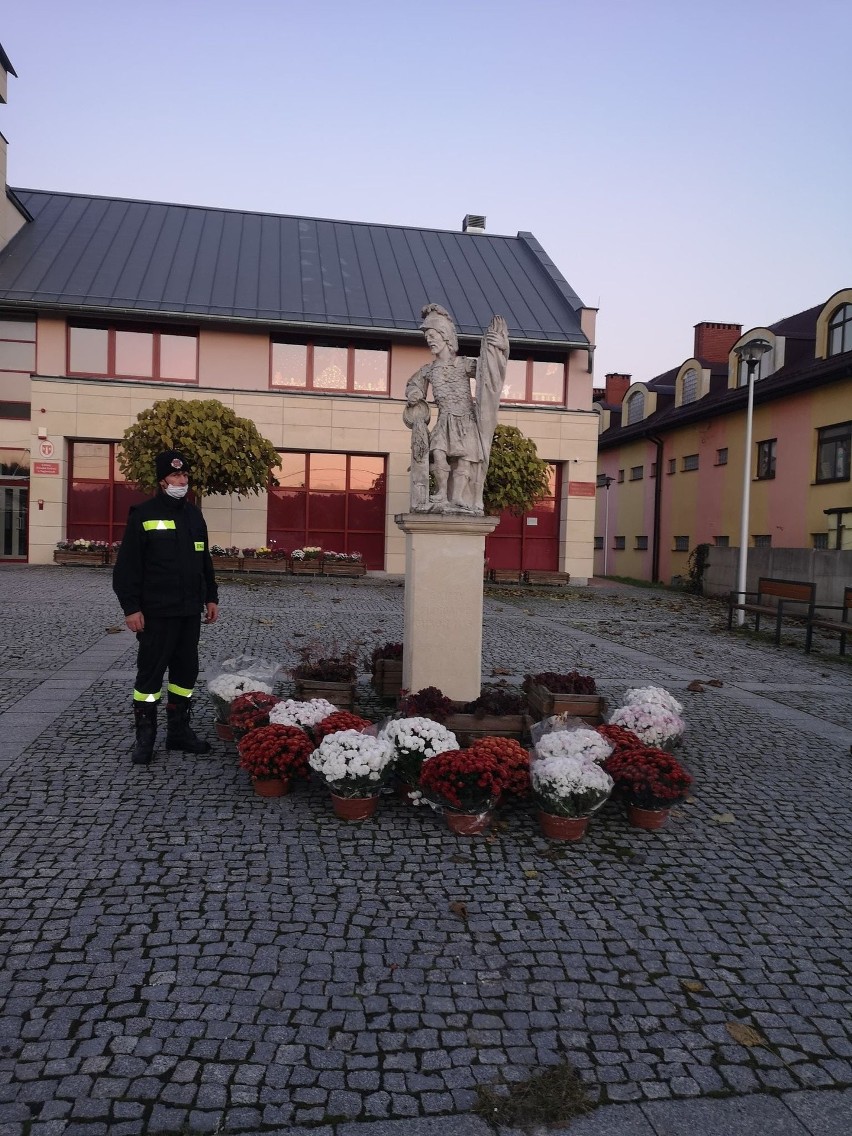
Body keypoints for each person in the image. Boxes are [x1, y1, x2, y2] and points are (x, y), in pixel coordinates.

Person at [112, 450, 219, 764]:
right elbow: (127, 567)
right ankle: (145, 738)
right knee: (150, 677)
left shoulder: (194, 516)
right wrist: (131, 609)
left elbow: (204, 561)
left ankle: (178, 732)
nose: (181, 481)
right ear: (162, 480)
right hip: (156, 613)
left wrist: (211, 597)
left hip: (189, 612)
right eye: (175, 476)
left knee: (185, 674)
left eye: (184, 476)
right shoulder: (142, 514)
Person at [404, 303, 508, 513]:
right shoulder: (429, 369)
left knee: (464, 460)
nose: (429, 340)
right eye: (427, 338)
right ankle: (442, 493)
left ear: (446, 337)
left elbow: (488, 372)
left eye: (433, 335)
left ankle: (459, 497)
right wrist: (414, 395)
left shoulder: (463, 364)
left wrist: (500, 349)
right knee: (439, 453)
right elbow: (414, 384)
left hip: (466, 420)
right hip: (445, 420)